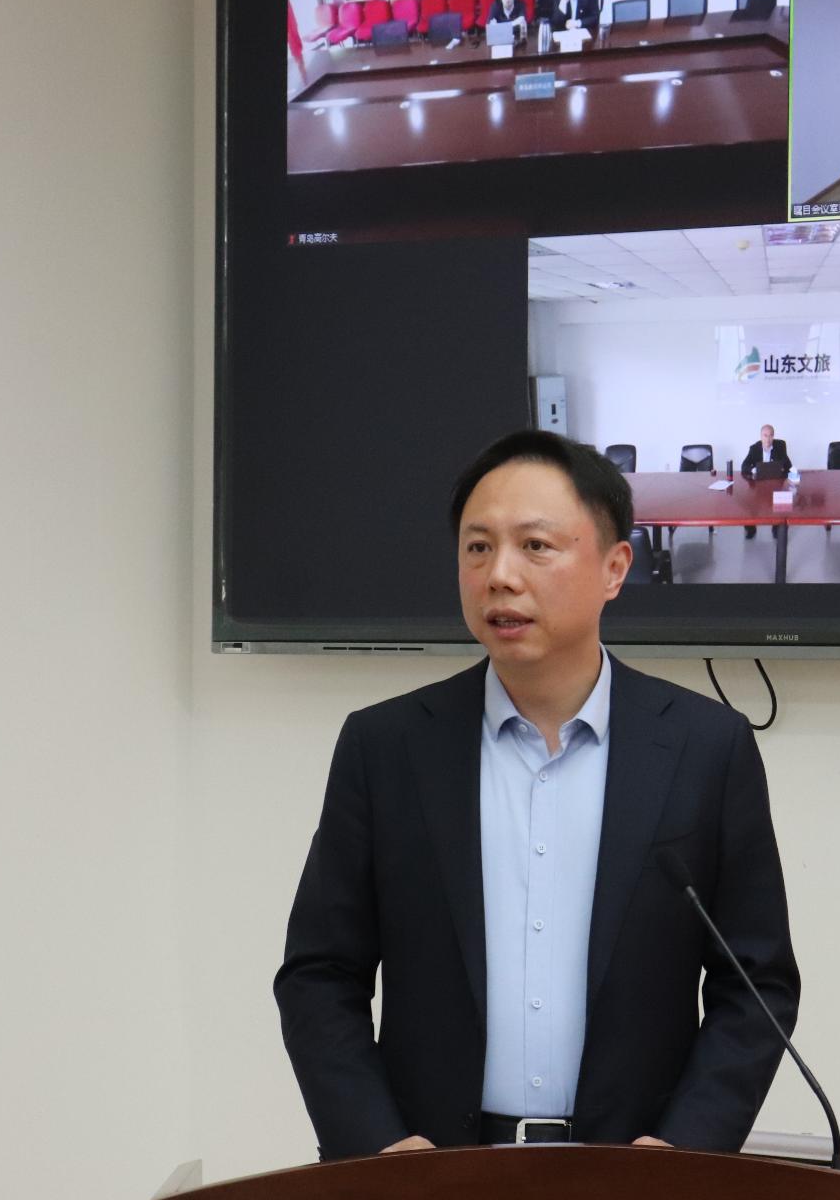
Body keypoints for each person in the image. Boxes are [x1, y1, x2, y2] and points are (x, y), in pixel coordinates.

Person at [275, 429, 799, 1160]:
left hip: (634, 1179)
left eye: (535, 546)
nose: (500, 575)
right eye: (477, 547)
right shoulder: (387, 747)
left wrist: (686, 1148)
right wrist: (377, 1145)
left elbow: (756, 984)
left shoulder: (706, 749)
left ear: (615, 567)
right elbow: (319, 975)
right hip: (430, 1178)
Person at [739, 424, 792, 538]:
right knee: (748, 499)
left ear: (774, 436)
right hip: (758, 484)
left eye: (771, 435)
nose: (768, 439)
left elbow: (789, 466)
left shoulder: (780, 446)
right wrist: (754, 469)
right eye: (765, 435)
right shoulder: (754, 448)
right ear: (761, 436)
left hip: (776, 484)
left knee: (783, 500)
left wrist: (782, 470)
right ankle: (750, 528)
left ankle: (777, 528)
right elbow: (744, 466)